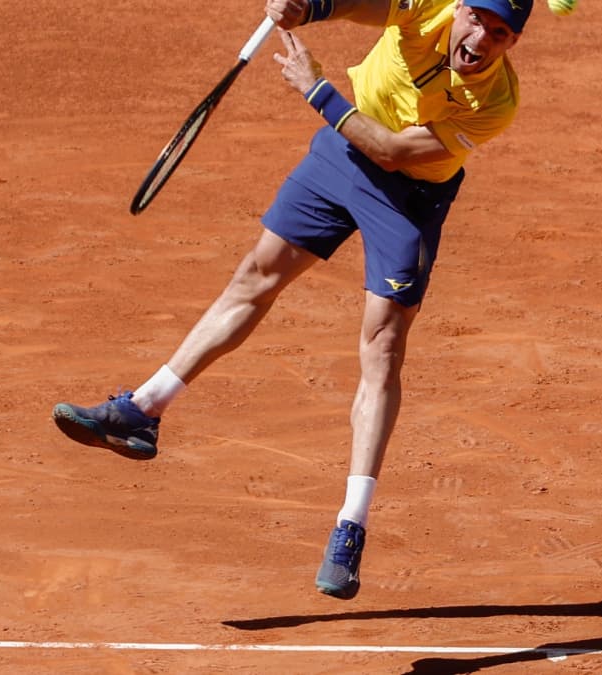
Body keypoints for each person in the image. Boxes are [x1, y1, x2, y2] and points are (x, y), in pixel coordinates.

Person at [52, 0, 533, 600]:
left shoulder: (496, 102)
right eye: (477, 21)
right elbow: (371, 5)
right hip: (340, 157)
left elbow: (393, 150)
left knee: (382, 346)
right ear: (459, 9)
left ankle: (350, 525)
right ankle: (142, 410)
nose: (480, 40)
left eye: (499, 34)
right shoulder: (428, 6)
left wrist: (319, 92)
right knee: (256, 275)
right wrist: (311, 7)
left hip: (408, 194)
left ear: (510, 45)